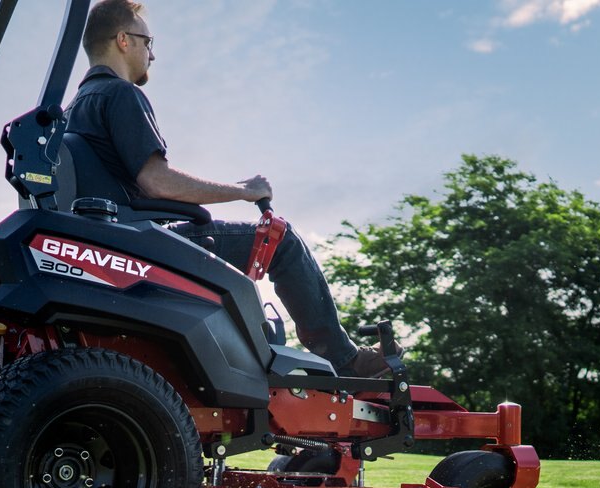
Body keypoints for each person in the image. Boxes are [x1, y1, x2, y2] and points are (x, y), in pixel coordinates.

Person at [64, 0, 397, 377]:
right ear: (123, 40)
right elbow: (156, 182)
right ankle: (345, 360)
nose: (152, 54)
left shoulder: (72, 109)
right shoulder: (121, 95)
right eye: (148, 41)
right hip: (142, 243)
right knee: (282, 241)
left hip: (110, 243)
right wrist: (244, 190)